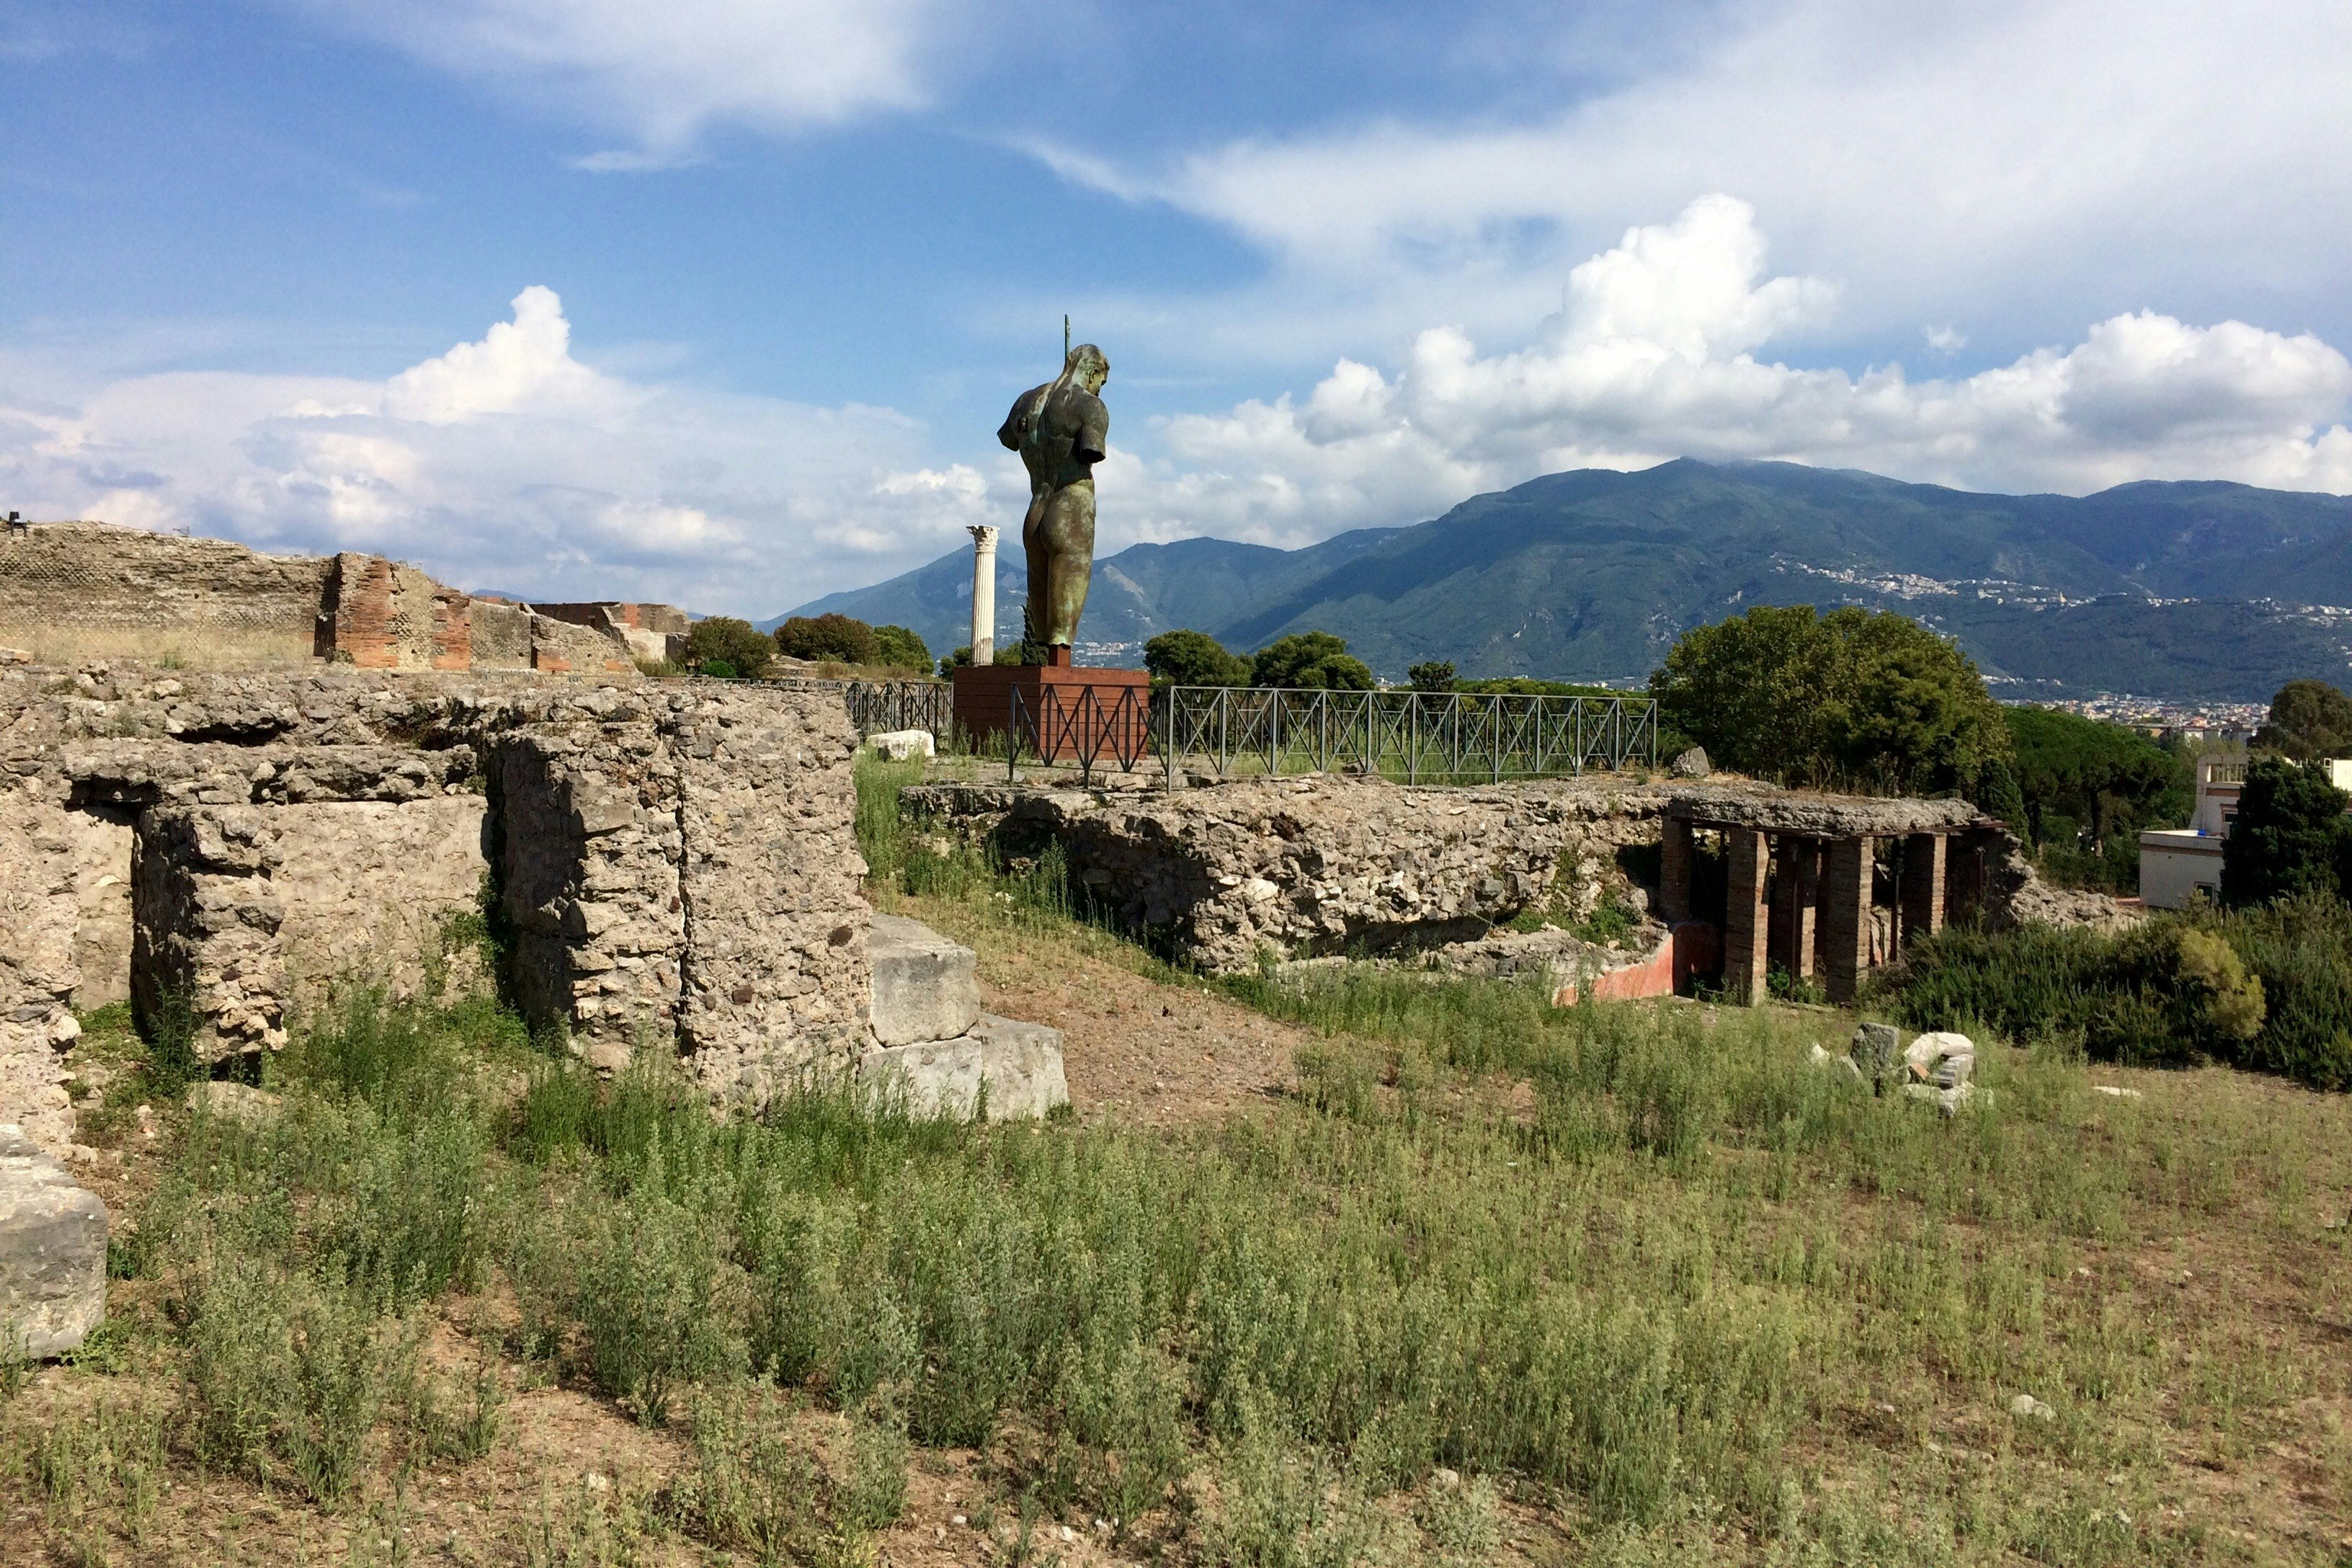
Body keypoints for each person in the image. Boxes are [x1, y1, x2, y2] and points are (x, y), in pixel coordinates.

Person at [997, 343, 1109, 661]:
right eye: (1101, 382)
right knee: (1061, 628)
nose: (1100, 390)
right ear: (1093, 372)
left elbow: (1008, 438)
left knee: (1040, 615)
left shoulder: (1027, 400)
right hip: (1071, 505)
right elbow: (1092, 450)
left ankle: (1042, 665)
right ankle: (1059, 670)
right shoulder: (1090, 406)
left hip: (1035, 509)